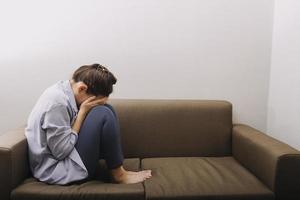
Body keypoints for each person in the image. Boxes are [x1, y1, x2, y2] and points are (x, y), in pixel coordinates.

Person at [25, 63, 152, 185]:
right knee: (103, 113)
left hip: (66, 157)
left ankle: (119, 171)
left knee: (107, 109)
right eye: (94, 101)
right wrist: (82, 114)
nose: (92, 105)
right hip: (58, 170)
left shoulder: (67, 89)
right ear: (82, 88)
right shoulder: (57, 103)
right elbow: (60, 152)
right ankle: (119, 176)